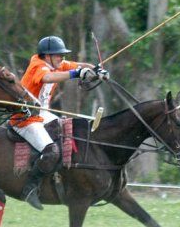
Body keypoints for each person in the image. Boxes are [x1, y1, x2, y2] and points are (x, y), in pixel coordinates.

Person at [10, 35, 107, 210]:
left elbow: (80, 66)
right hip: (26, 118)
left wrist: (96, 70)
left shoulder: (55, 63)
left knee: (70, 135)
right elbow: (47, 78)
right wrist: (76, 74)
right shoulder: (37, 66)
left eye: (62, 55)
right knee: (51, 151)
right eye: (58, 55)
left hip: (43, 114)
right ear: (47, 56)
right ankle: (29, 188)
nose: (62, 58)